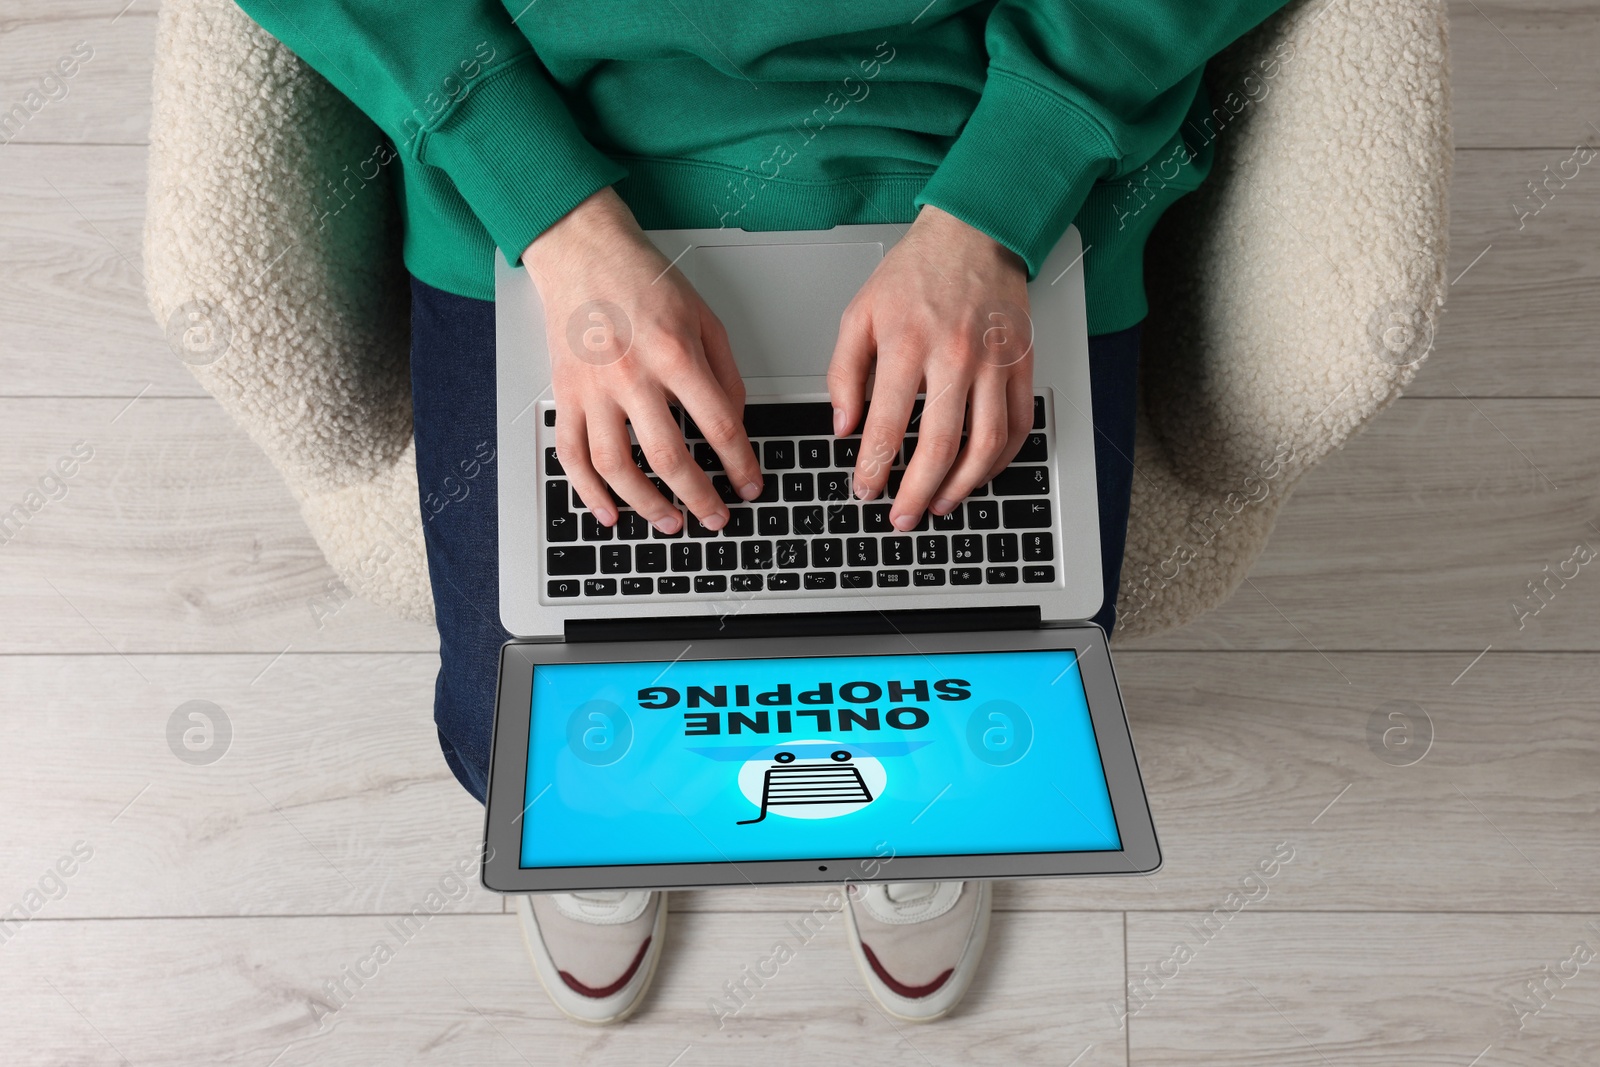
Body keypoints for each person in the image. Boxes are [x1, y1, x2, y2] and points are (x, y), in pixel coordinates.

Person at [237, 0, 1289, 1025]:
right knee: (531, 717)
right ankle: (614, 833)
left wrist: (1006, 190)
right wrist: (547, 206)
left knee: (985, 709)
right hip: (548, 171)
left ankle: (909, 828)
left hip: (979, 158)